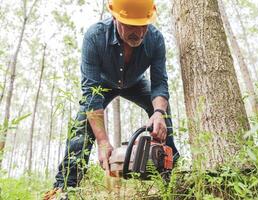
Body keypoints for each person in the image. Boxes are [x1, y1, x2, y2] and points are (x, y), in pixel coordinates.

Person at [44, 0, 179, 198]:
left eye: (144, 25)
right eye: (131, 25)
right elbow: (91, 92)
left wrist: (158, 113)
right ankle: (66, 186)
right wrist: (103, 141)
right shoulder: (95, 36)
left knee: (162, 110)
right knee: (82, 123)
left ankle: (170, 174)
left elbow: (159, 83)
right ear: (115, 17)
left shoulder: (156, 39)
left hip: (135, 83)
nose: (139, 32)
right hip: (102, 84)